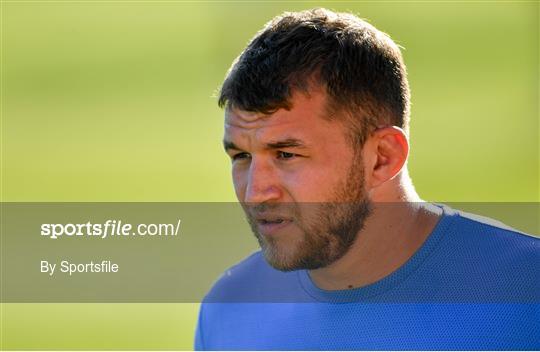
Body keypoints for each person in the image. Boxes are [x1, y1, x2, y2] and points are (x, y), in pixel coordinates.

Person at [195, 8, 539, 350]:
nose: (256, 192)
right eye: (241, 156)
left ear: (382, 157)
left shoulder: (526, 295)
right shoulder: (228, 311)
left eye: (286, 155)